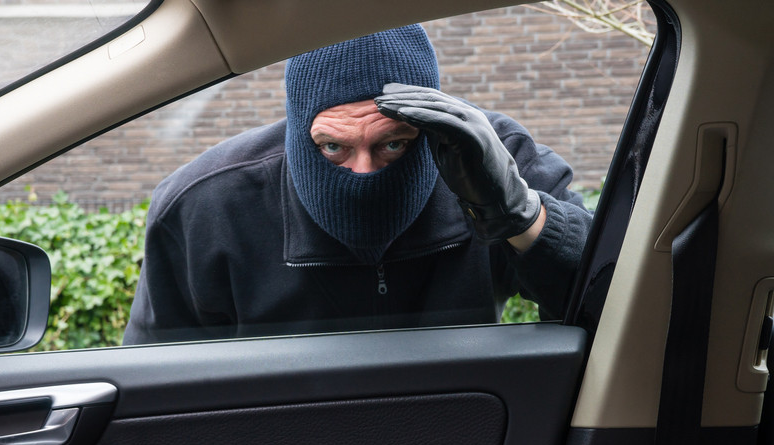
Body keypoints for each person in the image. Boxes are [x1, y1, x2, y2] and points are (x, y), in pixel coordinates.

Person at [123, 24, 592, 345]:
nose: (364, 173)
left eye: (393, 145)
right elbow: (155, 387)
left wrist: (518, 213)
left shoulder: (491, 157)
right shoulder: (207, 206)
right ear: (297, 131)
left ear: (427, 131)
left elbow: (615, 300)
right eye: (333, 148)